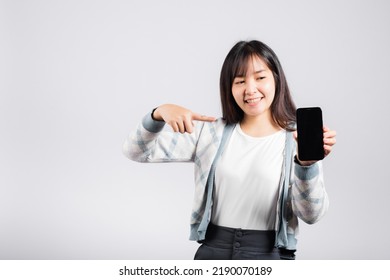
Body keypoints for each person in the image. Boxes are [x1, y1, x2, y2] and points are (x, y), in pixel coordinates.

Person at [122, 40, 336, 260]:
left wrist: (306, 166)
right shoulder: (210, 134)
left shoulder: (298, 141)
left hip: (269, 253)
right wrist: (159, 113)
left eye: (260, 77)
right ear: (229, 88)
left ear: (277, 80)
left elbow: (311, 216)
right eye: (240, 81)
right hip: (213, 251)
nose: (250, 89)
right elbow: (135, 151)